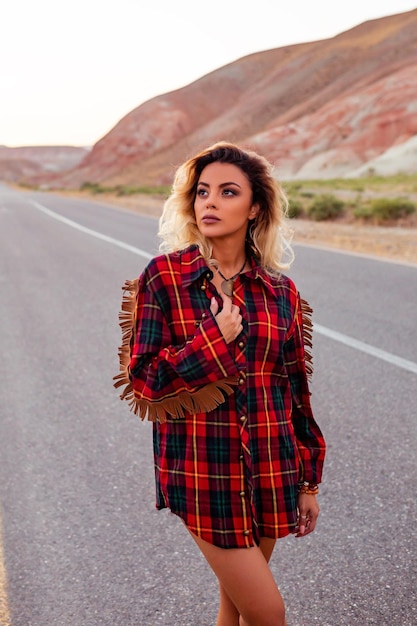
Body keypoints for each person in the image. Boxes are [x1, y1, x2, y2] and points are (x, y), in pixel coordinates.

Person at [114, 141, 326, 626]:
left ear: (254, 208)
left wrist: (309, 480)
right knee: (268, 613)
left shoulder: (280, 292)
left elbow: (295, 391)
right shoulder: (164, 279)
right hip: (203, 473)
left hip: (274, 470)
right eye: (202, 191)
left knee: (235, 612)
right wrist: (214, 340)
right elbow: (144, 381)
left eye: (227, 192)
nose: (209, 201)